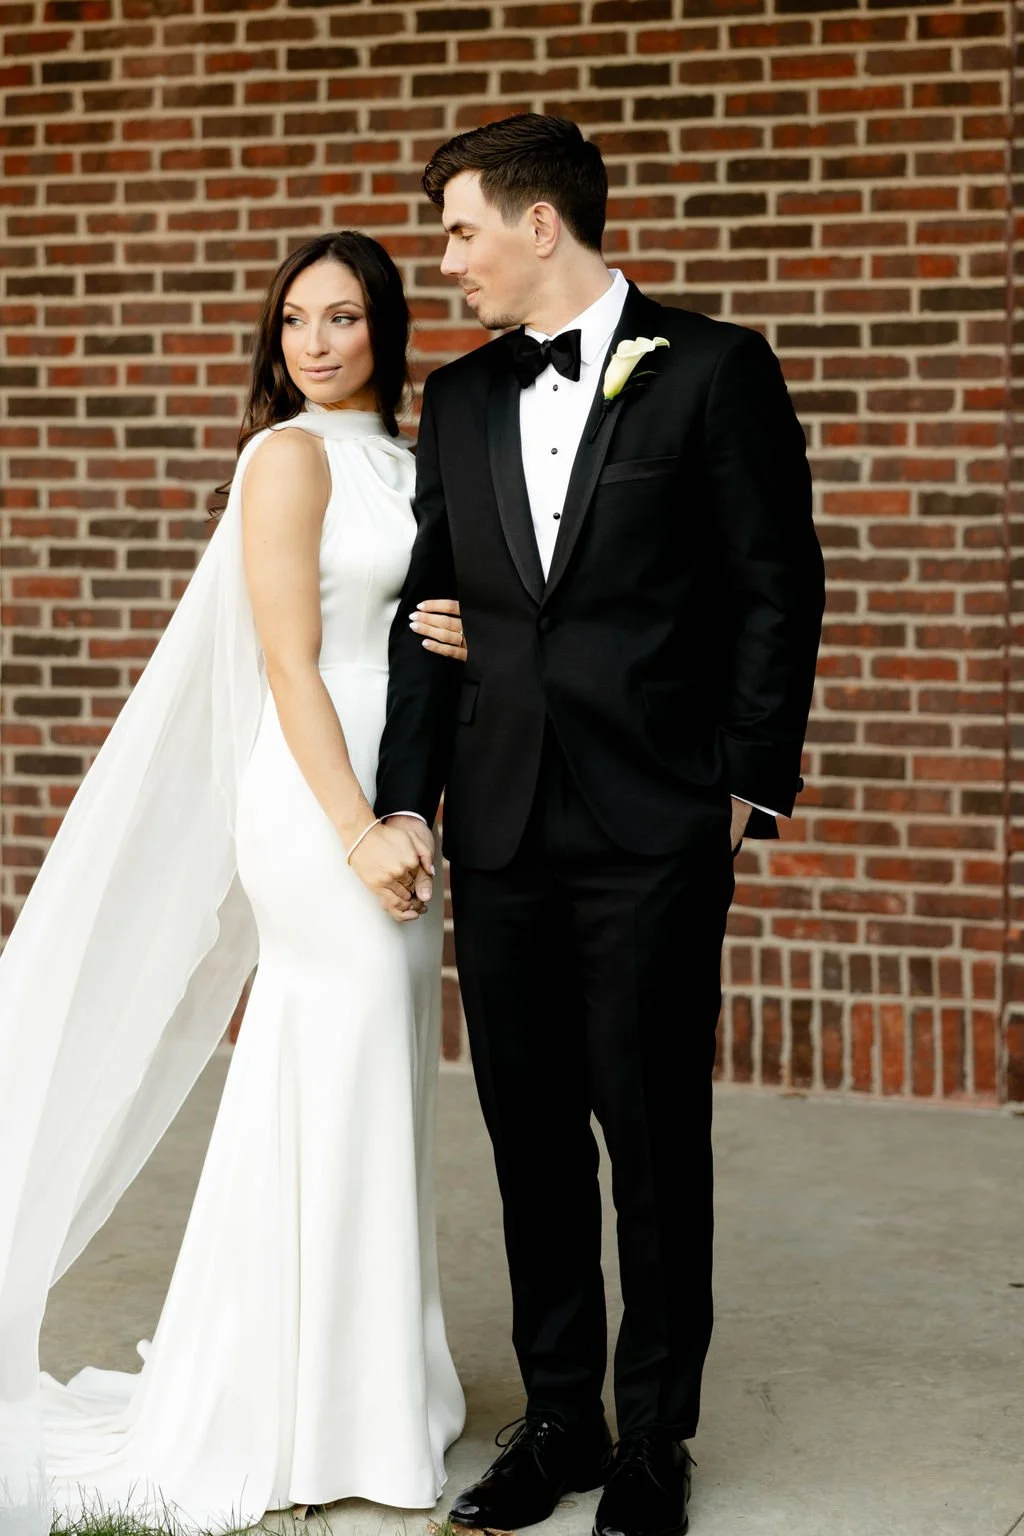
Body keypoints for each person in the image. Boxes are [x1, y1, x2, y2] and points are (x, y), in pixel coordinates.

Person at [376, 115, 826, 1536]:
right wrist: (407, 789)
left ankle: (653, 1445)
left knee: (652, 1133)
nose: (444, 263)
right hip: (499, 821)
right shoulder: (455, 402)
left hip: (653, 824)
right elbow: (430, 614)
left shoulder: (713, 370)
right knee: (526, 1138)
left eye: (458, 231)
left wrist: (747, 783)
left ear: (540, 225)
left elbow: (777, 583)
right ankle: (560, 1418)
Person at [0, 231, 470, 1534]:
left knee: (375, 1082)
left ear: (386, 328)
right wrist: (360, 827)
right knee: (336, 1063)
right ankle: (285, 1406)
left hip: (398, 793)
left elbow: (425, 627)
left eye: (342, 319)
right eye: (294, 323)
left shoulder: (412, 457)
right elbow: (290, 663)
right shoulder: (286, 458)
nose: (315, 345)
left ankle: (367, 1391)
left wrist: (438, 737)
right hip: (321, 797)